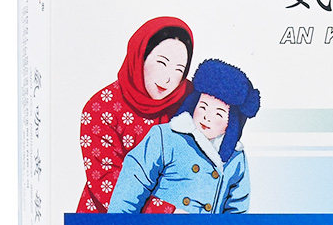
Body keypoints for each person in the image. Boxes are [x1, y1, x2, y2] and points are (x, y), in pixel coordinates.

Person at [108, 59, 260, 214]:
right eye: (203, 107)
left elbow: (237, 208)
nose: (207, 117)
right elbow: (133, 182)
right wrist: (119, 223)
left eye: (218, 114)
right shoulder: (165, 137)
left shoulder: (236, 158)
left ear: (232, 123)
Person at [77, 17, 194, 213]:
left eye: (179, 70)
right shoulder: (101, 107)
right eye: (162, 63)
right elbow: (106, 182)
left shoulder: (188, 100)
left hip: (179, 219)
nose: (167, 78)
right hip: (108, 218)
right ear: (141, 56)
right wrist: (168, 211)